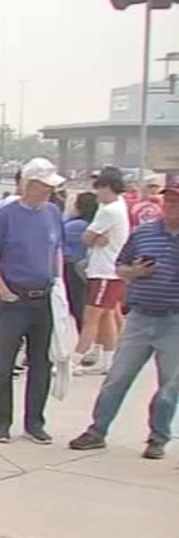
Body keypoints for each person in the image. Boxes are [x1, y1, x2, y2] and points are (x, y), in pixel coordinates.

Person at [68, 185, 179, 460]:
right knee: (118, 377)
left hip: (174, 321)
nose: (171, 206)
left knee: (169, 385)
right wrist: (136, 271)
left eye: (176, 202)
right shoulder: (144, 233)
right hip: (140, 318)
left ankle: (158, 437)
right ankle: (97, 430)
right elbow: (120, 268)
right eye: (168, 201)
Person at [0, 158, 65, 445]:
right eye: (45, 186)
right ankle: (0, 422)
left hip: (44, 298)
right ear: (30, 185)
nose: (49, 192)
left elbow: (57, 251)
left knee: (41, 364)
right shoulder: (8, 215)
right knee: (3, 365)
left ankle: (35, 422)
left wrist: (58, 282)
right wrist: (3, 290)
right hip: (15, 298)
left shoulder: (52, 213)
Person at [73, 167, 131, 375]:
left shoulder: (109, 210)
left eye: (100, 187)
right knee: (106, 316)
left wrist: (95, 239)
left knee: (91, 316)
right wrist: (98, 239)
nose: (97, 192)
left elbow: (86, 237)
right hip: (108, 268)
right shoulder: (120, 205)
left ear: (109, 187)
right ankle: (107, 360)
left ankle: (76, 357)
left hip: (105, 270)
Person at [62, 190, 98, 330]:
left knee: (78, 306)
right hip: (84, 266)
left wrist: (68, 212)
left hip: (73, 266)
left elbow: (59, 229)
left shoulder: (76, 226)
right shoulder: (91, 224)